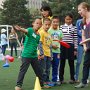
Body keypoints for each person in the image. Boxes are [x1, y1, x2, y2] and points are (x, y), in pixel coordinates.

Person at [14, 18, 51, 90]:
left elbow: (36, 45)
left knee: (39, 71)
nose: (38, 25)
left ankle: (42, 85)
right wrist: (20, 29)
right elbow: (25, 30)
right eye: (37, 23)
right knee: (23, 71)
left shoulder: (38, 35)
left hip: (34, 56)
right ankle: (18, 86)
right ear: (33, 24)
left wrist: (39, 54)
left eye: (40, 23)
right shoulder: (30, 30)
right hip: (26, 55)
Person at [59, 13, 78, 84]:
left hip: (70, 47)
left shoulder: (74, 27)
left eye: (70, 19)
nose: (68, 21)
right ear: (64, 19)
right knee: (62, 63)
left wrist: (75, 49)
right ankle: (61, 79)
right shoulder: (61, 27)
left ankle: (72, 79)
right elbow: (59, 38)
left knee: (71, 63)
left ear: (72, 19)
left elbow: (75, 39)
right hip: (62, 46)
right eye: (67, 19)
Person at [75, 2, 90, 88]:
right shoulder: (82, 21)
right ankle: (83, 82)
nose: (79, 12)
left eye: (80, 10)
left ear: (86, 8)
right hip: (88, 47)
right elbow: (83, 34)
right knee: (86, 64)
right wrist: (84, 46)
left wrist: (85, 41)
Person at [48, 16, 63, 85]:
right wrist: (52, 46)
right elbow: (47, 41)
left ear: (58, 23)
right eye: (54, 22)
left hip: (57, 52)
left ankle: (54, 80)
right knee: (48, 67)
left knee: (55, 66)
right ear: (51, 22)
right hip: (49, 52)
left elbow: (60, 41)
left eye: (57, 22)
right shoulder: (49, 31)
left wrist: (59, 52)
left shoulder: (60, 32)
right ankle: (46, 80)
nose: (55, 23)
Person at [38, 18, 53, 86]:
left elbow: (50, 46)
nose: (47, 26)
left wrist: (51, 55)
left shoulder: (49, 34)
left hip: (48, 55)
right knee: (43, 69)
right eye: (46, 24)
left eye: (49, 25)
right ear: (43, 25)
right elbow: (39, 43)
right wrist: (41, 54)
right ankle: (42, 82)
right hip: (43, 55)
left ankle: (47, 80)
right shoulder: (41, 32)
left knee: (48, 69)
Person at [74, 18, 84, 82]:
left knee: (87, 62)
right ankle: (76, 77)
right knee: (78, 62)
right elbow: (77, 31)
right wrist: (84, 35)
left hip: (88, 44)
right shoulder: (78, 21)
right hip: (80, 44)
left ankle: (86, 78)